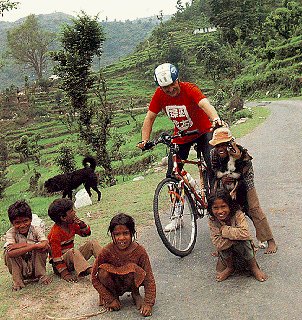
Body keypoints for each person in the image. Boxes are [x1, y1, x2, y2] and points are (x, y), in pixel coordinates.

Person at [137, 62, 224, 231]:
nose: (169, 90)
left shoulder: (189, 89)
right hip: (182, 136)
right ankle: (177, 216)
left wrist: (216, 120)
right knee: (172, 174)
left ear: (178, 80)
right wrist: (144, 140)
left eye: (171, 85)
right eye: (165, 88)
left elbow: (206, 105)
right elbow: (149, 118)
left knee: (213, 165)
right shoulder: (159, 95)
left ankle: (218, 204)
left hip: (203, 131)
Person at [209, 126, 277, 254]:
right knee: (227, 211)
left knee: (254, 209)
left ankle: (270, 240)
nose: (220, 149)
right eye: (217, 146)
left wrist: (237, 181)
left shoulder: (238, 150)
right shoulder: (213, 153)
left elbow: (247, 165)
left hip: (245, 180)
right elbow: (214, 170)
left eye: (223, 145)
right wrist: (223, 178)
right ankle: (225, 246)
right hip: (225, 181)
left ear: (229, 143)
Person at [91, 213, 156, 317]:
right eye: (117, 234)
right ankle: (114, 296)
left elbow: (149, 278)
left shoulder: (140, 251)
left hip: (132, 282)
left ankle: (135, 294)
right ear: (112, 235)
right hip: (113, 284)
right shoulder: (107, 250)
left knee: (133, 268)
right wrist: (109, 298)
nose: (121, 238)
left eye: (126, 233)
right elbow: (94, 278)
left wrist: (148, 303)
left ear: (132, 233)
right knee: (102, 271)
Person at [208, 189, 268, 282]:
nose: (220, 211)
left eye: (223, 206)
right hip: (226, 251)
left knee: (244, 241)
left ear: (230, 206)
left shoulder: (238, 214)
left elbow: (245, 233)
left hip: (243, 247)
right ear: (211, 209)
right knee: (227, 244)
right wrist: (236, 236)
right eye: (215, 208)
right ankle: (229, 268)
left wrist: (225, 230)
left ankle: (254, 267)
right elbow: (217, 243)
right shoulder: (212, 220)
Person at [47, 198, 102, 282]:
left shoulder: (72, 225)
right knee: (73, 251)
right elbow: (56, 257)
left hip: (73, 259)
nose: (75, 212)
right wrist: (65, 273)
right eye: (72, 211)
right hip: (61, 265)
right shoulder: (55, 234)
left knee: (92, 243)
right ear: (63, 218)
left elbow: (86, 233)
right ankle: (92, 272)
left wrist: (81, 224)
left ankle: (106, 261)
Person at [3, 200, 52, 291]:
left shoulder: (35, 229)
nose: (22, 225)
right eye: (17, 223)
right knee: (8, 253)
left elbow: (45, 243)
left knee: (44, 247)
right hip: (21, 270)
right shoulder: (11, 232)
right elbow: (10, 253)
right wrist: (35, 245)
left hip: (35, 267)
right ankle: (18, 282)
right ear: (12, 223)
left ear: (30, 219)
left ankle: (41, 276)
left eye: (26, 221)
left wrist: (27, 245)